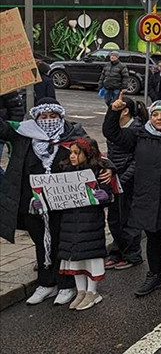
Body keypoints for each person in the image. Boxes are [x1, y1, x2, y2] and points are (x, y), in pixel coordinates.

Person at [0, 98, 100, 306]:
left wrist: (108, 169)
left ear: (60, 116)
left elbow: (94, 156)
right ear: (36, 118)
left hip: (64, 202)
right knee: (40, 241)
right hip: (33, 203)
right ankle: (46, 283)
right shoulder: (23, 134)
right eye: (43, 117)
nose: (48, 120)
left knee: (61, 242)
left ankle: (66, 284)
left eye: (52, 116)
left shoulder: (74, 135)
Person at [104, 98, 161, 299]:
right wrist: (113, 112)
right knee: (153, 238)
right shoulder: (139, 135)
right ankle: (154, 276)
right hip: (147, 196)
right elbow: (112, 133)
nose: (159, 118)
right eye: (155, 114)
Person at [57, 137, 114, 311]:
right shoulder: (65, 172)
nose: (72, 156)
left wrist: (104, 195)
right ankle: (81, 291)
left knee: (90, 257)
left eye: (77, 153)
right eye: (71, 153)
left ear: (86, 154)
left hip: (90, 222)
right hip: (69, 223)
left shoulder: (98, 171)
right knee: (75, 259)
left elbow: (108, 192)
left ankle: (92, 292)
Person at [102, 94, 145, 270]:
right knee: (114, 218)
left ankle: (132, 254)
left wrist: (124, 178)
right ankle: (116, 251)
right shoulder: (118, 127)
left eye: (117, 108)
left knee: (129, 219)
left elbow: (137, 159)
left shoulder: (135, 129)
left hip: (129, 180)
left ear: (125, 111)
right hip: (115, 178)